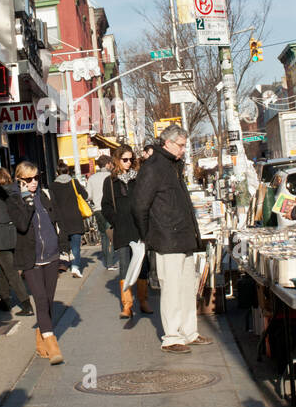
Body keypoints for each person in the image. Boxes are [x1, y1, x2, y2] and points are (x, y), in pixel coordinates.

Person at [133, 125, 209, 353]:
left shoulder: (173, 165)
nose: (184, 150)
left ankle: (189, 331)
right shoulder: (154, 167)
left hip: (183, 236)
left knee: (187, 287)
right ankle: (172, 336)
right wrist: (148, 235)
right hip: (167, 238)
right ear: (168, 143)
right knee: (172, 288)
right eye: (181, 145)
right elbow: (139, 206)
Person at [7, 161, 64, 364]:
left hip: (51, 254)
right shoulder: (13, 199)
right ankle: (52, 343)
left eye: (36, 178)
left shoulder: (44, 194)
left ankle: (41, 340)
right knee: (40, 299)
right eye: (28, 179)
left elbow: (55, 219)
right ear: (19, 180)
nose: (34, 183)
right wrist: (27, 200)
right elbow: (22, 225)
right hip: (31, 258)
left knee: (48, 300)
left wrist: (62, 248)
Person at [101, 146, 150, 319]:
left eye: (131, 159)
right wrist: (115, 220)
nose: (129, 163)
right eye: (125, 159)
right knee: (124, 265)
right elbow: (105, 205)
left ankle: (143, 301)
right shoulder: (110, 182)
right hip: (122, 229)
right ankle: (127, 304)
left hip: (139, 228)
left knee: (143, 265)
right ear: (117, 160)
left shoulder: (139, 178)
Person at [0, 166, 34, 316]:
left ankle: (26, 305)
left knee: (11, 271)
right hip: (15, 234)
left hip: (0, 237)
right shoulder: (14, 194)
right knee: (3, 269)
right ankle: (5, 299)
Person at [48, 161, 89, 278]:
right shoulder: (74, 182)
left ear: (57, 173)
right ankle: (75, 268)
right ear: (68, 171)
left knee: (62, 243)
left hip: (61, 220)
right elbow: (85, 195)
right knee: (76, 245)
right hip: (75, 218)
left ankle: (62, 264)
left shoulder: (53, 186)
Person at [87, 155, 114, 268]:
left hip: (97, 209)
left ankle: (105, 258)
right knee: (111, 236)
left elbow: (89, 196)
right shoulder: (111, 176)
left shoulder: (92, 178)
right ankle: (110, 262)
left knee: (103, 235)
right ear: (107, 164)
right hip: (109, 209)